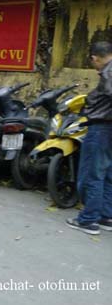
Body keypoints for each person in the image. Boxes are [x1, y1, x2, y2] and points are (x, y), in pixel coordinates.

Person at [66, 41, 112, 235]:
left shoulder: (109, 72)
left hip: (101, 128)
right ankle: (105, 217)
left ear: (95, 58)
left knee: (92, 174)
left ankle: (88, 220)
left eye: (93, 62)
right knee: (108, 174)